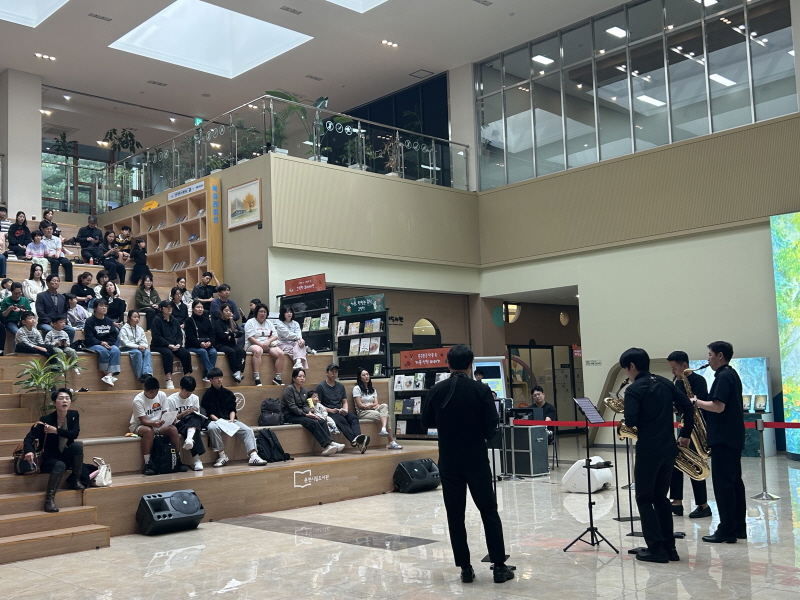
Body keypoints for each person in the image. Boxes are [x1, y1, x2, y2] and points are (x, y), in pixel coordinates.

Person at [421, 344, 513, 584]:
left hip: (449, 459)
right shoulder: (480, 390)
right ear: (471, 364)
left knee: (455, 515)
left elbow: (426, 421)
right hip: (476, 458)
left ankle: (465, 568)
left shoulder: (436, 390)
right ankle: (499, 567)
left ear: (448, 364)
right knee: (488, 511)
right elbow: (491, 426)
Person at [620, 347, 694, 563]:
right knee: (661, 498)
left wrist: (628, 409)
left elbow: (631, 420)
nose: (627, 374)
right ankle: (670, 548)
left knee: (644, 498)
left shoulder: (634, 390)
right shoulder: (665, 382)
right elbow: (688, 407)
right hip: (668, 448)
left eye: (626, 369)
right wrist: (685, 434)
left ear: (632, 366)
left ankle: (656, 549)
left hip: (648, 450)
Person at [696, 341, 746, 544]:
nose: (708, 359)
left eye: (710, 354)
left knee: (723, 485)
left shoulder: (723, 377)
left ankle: (726, 530)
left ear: (720, 356)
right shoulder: (731, 374)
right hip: (732, 438)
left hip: (723, 439)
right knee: (734, 483)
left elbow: (718, 406)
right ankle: (738, 527)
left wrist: (695, 402)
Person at [23, 389, 84, 512]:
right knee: (60, 465)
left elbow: (74, 434)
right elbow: (28, 438)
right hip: (49, 458)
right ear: (54, 402)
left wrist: (56, 431)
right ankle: (49, 500)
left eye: (67, 398)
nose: (64, 401)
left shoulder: (73, 415)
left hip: (64, 455)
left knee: (77, 446)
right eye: (61, 398)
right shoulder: (46, 419)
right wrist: (29, 451)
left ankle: (75, 480)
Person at [667, 351, 711, 519]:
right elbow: (679, 407)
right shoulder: (678, 382)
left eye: (674, 368)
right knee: (676, 462)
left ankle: (703, 505)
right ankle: (677, 502)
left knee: (694, 465)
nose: (673, 372)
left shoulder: (699, 381)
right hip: (685, 426)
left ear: (684, 366)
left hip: (696, 428)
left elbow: (696, 406)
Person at [201, 368, 268, 467]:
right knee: (212, 428)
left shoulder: (228, 393)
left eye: (221, 377)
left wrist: (231, 420)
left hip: (229, 420)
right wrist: (220, 421)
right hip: (215, 421)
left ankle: (253, 455)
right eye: (216, 378)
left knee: (248, 430)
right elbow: (210, 413)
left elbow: (232, 409)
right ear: (210, 380)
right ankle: (222, 456)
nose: (219, 380)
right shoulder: (207, 395)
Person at [130, 377, 186, 476]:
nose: (154, 395)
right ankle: (147, 464)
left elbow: (165, 413)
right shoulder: (138, 400)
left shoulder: (162, 395)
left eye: (156, 392)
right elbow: (143, 420)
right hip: (140, 426)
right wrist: (154, 423)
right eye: (151, 393)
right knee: (149, 431)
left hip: (158, 424)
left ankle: (177, 459)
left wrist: (170, 419)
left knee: (173, 429)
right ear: (145, 389)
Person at [283, 368, 344, 456]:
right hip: (290, 415)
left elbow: (306, 404)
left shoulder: (304, 390)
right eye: (300, 376)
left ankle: (331, 442)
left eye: (304, 376)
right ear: (293, 378)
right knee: (313, 422)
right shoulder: (289, 389)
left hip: (302, 414)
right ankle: (326, 445)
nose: (302, 378)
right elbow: (292, 407)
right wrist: (306, 414)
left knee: (321, 420)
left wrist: (309, 413)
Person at [316, 364, 370, 453]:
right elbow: (318, 404)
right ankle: (355, 441)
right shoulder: (321, 386)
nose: (334, 373)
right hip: (328, 412)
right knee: (342, 420)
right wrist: (330, 410)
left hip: (340, 410)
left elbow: (344, 401)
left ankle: (358, 438)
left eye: (336, 372)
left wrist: (345, 410)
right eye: (332, 371)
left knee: (353, 418)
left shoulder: (340, 386)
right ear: (327, 372)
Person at [353, 367, 402, 449]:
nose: (366, 376)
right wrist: (371, 406)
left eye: (367, 374)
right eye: (364, 375)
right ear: (359, 377)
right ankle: (392, 442)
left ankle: (383, 429)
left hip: (372, 409)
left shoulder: (373, 389)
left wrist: (370, 405)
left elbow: (376, 403)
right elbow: (360, 405)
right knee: (386, 416)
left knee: (384, 405)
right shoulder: (357, 388)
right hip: (362, 412)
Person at [166, 375, 206, 471]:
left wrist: (190, 413)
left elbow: (196, 414)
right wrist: (184, 413)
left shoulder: (195, 398)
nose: (189, 394)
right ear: (180, 388)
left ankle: (189, 439)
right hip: (179, 423)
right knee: (193, 428)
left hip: (191, 421)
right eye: (187, 391)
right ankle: (197, 460)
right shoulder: (171, 400)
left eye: (191, 392)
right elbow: (171, 420)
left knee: (196, 418)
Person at [151, 300, 193, 390]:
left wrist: (178, 344)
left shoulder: (175, 320)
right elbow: (157, 337)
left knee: (186, 353)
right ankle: (168, 380)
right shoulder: (156, 320)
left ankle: (187, 378)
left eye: (170, 307)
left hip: (174, 345)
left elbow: (179, 335)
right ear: (161, 309)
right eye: (167, 307)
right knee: (168, 354)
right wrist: (168, 345)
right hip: (159, 345)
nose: (169, 308)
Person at [245, 303, 284, 387]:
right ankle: (256, 377)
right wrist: (261, 345)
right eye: (261, 311)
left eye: (265, 312)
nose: (263, 314)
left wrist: (268, 341)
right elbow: (250, 338)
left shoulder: (269, 323)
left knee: (281, 354)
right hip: (253, 345)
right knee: (258, 350)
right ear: (256, 312)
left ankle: (277, 377)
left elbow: (275, 335)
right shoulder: (250, 322)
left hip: (267, 345)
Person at [84, 299, 122, 386]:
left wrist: (108, 343)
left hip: (107, 344)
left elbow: (113, 335)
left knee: (116, 350)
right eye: (101, 306)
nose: (104, 308)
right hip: (94, 344)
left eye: (105, 306)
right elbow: (89, 337)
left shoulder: (108, 320)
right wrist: (101, 343)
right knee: (103, 350)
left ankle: (109, 375)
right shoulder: (90, 321)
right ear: (95, 308)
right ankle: (106, 374)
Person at [35, 274, 76, 343]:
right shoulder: (41, 296)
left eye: (57, 281)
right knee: (49, 330)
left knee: (71, 330)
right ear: (47, 283)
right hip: (46, 323)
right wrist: (50, 322)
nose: (56, 282)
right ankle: (50, 347)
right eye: (54, 281)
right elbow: (40, 311)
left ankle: (68, 346)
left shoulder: (62, 297)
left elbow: (64, 311)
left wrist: (62, 322)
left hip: (59, 323)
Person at [212, 302, 246, 383]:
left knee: (242, 352)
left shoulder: (232, 322)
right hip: (220, 344)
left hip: (231, 343)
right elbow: (222, 336)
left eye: (230, 311)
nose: (228, 313)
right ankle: (234, 371)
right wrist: (234, 334)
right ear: (221, 312)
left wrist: (230, 334)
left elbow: (241, 333)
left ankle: (238, 372)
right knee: (232, 352)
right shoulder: (217, 322)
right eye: (226, 311)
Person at [185, 300, 217, 382]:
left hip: (207, 345)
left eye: (201, 307)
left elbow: (212, 334)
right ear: (193, 309)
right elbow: (190, 336)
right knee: (203, 351)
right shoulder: (189, 321)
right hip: (193, 346)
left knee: (213, 352)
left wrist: (210, 342)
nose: (200, 309)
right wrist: (200, 343)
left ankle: (207, 375)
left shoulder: (207, 321)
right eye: (198, 307)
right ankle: (213, 374)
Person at [119, 310, 153, 383]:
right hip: (126, 348)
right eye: (134, 317)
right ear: (128, 318)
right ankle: (140, 375)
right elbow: (125, 342)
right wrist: (138, 347)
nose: (137, 319)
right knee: (137, 353)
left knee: (147, 352)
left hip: (138, 348)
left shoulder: (140, 329)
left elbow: (144, 341)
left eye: (138, 317)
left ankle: (147, 373)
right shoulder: (124, 329)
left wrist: (143, 346)